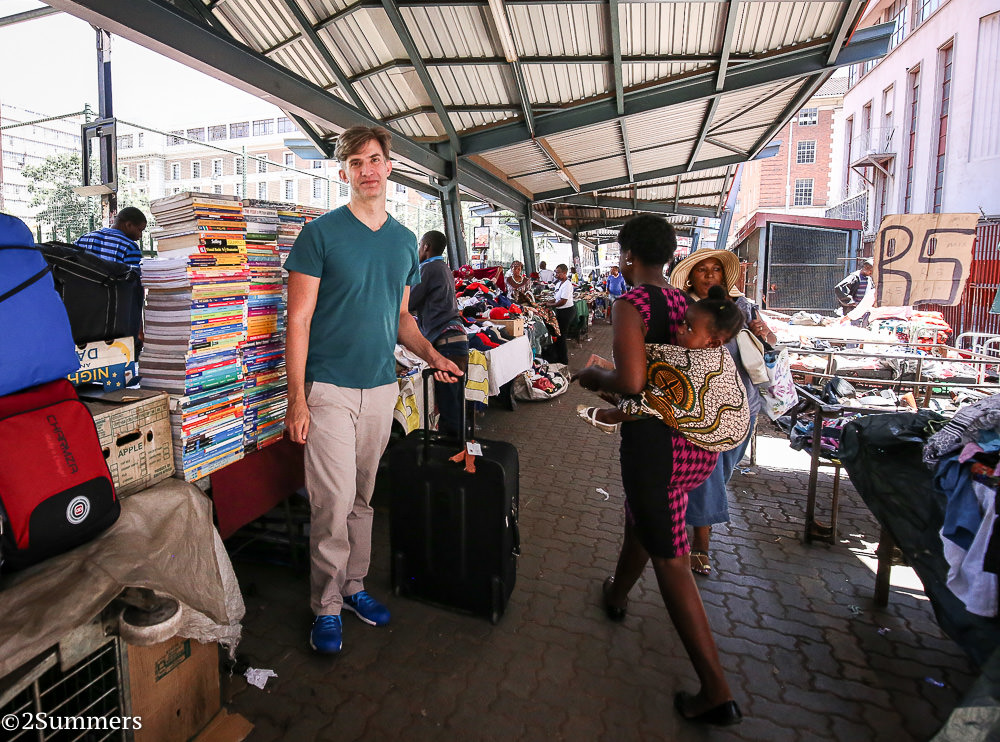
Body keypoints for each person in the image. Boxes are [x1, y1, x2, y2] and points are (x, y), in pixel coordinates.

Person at [284, 125, 462, 655]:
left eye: (376, 159)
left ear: (390, 168)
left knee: (363, 497)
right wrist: (297, 397)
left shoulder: (406, 242)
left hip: (382, 388)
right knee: (332, 501)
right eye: (356, 161)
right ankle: (326, 605)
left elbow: (402, 317)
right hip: (329, 388)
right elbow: (298, 319)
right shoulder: (319, 235)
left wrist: (432, 355)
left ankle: (354, 585)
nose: (367, 169)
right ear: (344, 172)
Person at [576, 215, 741, 727]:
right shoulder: (680, 303)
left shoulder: (633, 303)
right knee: (646, 522)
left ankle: (715, 690)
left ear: (627, 255)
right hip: (696, 445)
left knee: (672, 559)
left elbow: (630, 381)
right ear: (670, 257)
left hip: (656, 450)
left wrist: (591, 374)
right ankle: (617, 594)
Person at [669, 249, 776, 576]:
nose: (709, 275)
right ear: (690, 275)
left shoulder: (742, 307)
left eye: (715, 269)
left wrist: (763, 334)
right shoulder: (683, 308)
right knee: (708, 480)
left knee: (719, 476)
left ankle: (696, 527)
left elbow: (771, 342)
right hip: (702, 413)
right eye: (702, 269)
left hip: (745, 407)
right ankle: (700, 546)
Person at [576, 285, 745, 432]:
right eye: (684, 322)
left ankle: (607, 419)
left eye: (689, 328)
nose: (679, 329)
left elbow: (651, 404)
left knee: (652, 400)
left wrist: (609, 414)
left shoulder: (702, 366)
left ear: (713, 343)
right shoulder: (695, 350)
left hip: (718, 434)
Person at [409, 230, 469, 437]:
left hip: (447, 343)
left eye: (419, 245)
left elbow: (407, 304)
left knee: (449, 405)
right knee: (453, 401)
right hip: (455, 339)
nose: (418, 249)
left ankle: (452, 456)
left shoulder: (428, 268)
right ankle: (457, 449)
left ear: (426, 246)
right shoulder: (443, 267)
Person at [75, 206, 147, 269]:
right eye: (140, 230)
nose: (140, 235)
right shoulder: (130, 247)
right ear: (128, 225)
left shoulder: (82, 239)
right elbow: (134, 280)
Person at [545, 263, 575, 364]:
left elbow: (563, 301)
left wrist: (551, 305)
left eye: (558, 273)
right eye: (556, 272)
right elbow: (557, 297)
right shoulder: (558, 284)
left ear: (565, 273)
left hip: (566, 312)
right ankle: (557, 357)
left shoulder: (567, 284)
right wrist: (548, 302)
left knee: (561, 336)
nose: (556, 274)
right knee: (557, 335)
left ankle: (563, 361)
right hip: (560, 311)